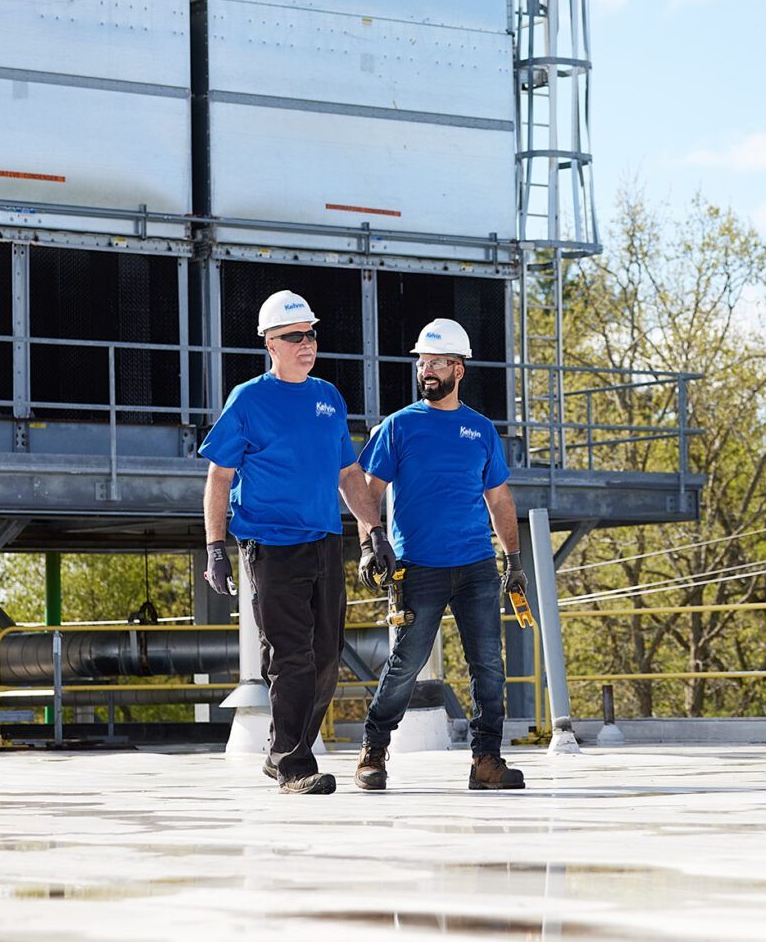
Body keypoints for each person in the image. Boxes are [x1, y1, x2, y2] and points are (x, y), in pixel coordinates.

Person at [201, 290, 395, 795]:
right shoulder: (248, 399)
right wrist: (215, 547)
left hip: (325, 543)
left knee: (326, 656)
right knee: (291, 657)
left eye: (311, 333)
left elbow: (349, 474)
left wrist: (375, 531)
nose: (307, 343)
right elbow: (219, 477)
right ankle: (293, 764)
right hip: (271, 546)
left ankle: (284, 749)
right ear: (270, 342)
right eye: (294, 336)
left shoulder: (328, 397)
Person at [354, 318, 528, 792]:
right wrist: (373, 544)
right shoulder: (398, 427)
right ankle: (373, 752)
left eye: (435, 363)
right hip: (418, 568)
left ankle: (486, 761)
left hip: (476, 566)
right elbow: (366, 492)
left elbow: (500, 500)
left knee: (489, 665)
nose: (425, 370)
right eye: (421, 362)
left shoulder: (480, 430)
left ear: (459, 368)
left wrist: (513, 560)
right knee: (406, 663)